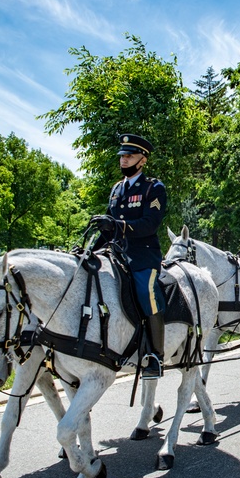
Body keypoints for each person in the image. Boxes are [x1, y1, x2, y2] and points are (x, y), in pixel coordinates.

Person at [93, 133, 167, 379]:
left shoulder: (153, 188)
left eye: (129, 156)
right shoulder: (116, 189)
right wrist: (89, 251)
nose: (123, 160)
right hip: (115, 254)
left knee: (147, 294)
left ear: (142, 159)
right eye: (122, 156)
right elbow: (107, 229)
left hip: (142, 256)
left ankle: (156, 356)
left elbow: (150, 224)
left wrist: (118, 226)